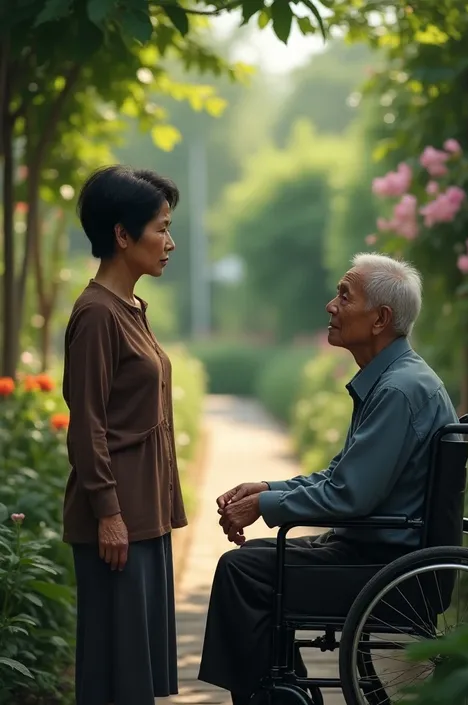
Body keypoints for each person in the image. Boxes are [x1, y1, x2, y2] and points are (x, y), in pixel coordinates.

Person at [198, 253, 458, 703]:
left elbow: (348, 495)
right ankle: (279, 690)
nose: (330, 306)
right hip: (378, 552)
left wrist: (263, 507)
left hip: (384, 567)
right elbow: (341, 476)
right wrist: (268, 490)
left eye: (344, 295)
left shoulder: (399, 389)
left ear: (380, 319)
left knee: (244, 570)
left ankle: (276, 695)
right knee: (254, 566)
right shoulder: (395, 380)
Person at [61, 165, 187, 705]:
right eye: (160, 228)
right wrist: (109, 512)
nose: (170, 242)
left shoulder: (132, 308)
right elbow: (85, 422)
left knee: (138, 672)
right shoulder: (96, 315)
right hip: (116, 523)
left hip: (145, 516)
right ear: (121, 234)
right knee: (114, 674)